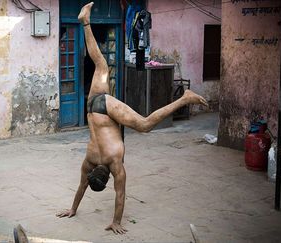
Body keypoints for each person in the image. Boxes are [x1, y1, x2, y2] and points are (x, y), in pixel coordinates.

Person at [56, 2, 209, 235]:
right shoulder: (88, 160)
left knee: (145, 124)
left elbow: (119, 195)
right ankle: (85, 21)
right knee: (102, 65)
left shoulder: (114, 164)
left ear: (105, 176)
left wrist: (116, 222)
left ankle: (184, 99)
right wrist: (72, 208)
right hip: (93, 108)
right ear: (93, 172)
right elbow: (82, 185)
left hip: (106, 108)